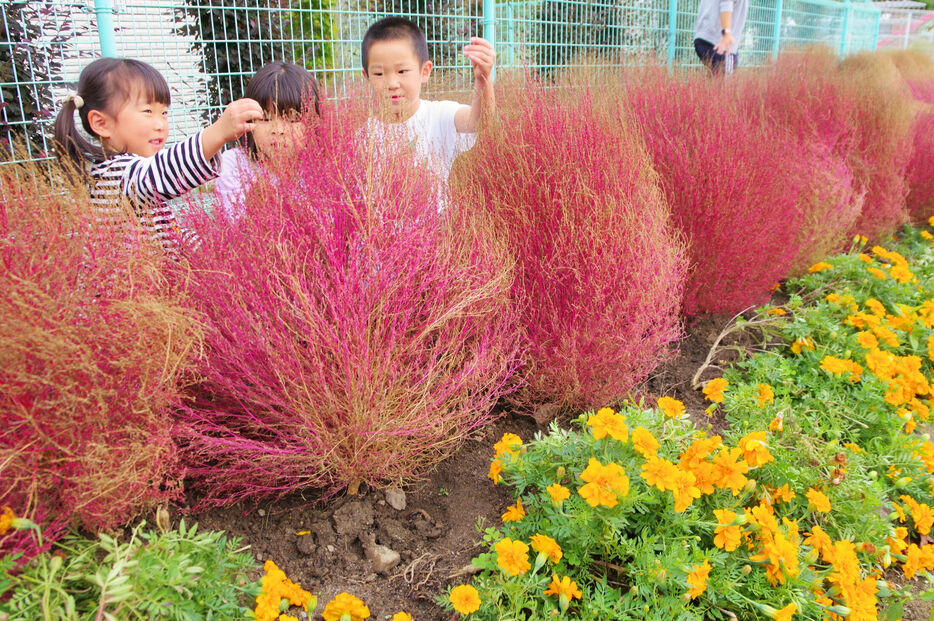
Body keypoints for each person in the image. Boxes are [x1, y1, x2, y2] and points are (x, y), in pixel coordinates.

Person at [53, 57, 263, 257]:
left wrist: (209, 252)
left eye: (163, 113)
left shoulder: (135, 180)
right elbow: (160, 172)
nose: (160, 124)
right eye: (147, 111)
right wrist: (217, 133)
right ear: (101, 123)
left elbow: (170, 234)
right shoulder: (113, 176)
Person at [360, 16, 495, 186]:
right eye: (379, 74)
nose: (392, 84)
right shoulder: (365, 136)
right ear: (367, 77)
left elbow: (479, 121)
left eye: (402, 71)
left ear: (424, 71)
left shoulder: (438, 116)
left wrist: (483, 79)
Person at [214, 61, 320, 217]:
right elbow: (234, 230)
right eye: (265, 119)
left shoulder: (322, 169)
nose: (278, 130)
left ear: (312, 123)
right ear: (249, 121)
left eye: (292, 120)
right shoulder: (233, 166)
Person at [693, 0, 748, 76]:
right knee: (725, 86)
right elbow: (726, 2)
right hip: (720, 43)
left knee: (715, 82)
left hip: (704, 36)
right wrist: (726, 33)